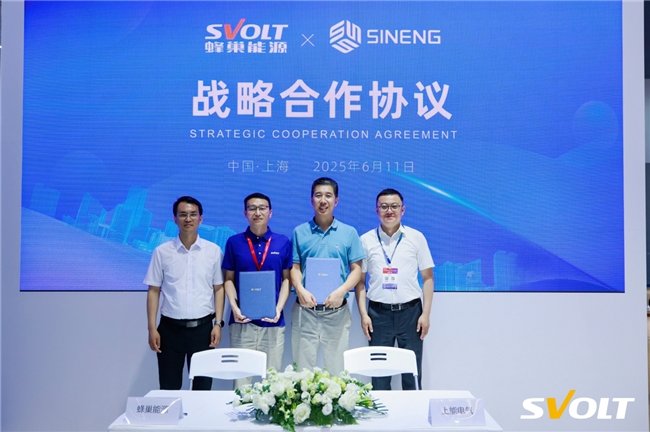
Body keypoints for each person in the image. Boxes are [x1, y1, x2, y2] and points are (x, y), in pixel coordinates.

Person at [355, 188, 434, 390]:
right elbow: (360, 282)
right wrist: (363, 315)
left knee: (412, 374)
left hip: (411, 314)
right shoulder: (365, 240)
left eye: (394, 206)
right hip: (378, 314)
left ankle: (414, 410)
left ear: (403, 210)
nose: (389, 211)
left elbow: (428, 278)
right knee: (379, 376)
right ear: (377, 210)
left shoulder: (416, 238)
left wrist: (425, 314)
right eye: (384, 206)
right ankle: (382, 411)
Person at [144, 195, 225, 390]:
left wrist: (218, 324)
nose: (188, 219)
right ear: (175, 218)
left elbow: (219, 288)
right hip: (170, 330)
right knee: (169, 387)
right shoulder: (162, 252)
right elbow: (154, 290)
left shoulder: (213, 251)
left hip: (203, 330)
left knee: (202, 388)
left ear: (201, 218)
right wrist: (152, 328)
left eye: (193, 214)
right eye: (183, 215)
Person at [290, 177, 365, 374]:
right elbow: (295, 267)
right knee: (302, 372)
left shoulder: (349, 232)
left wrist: (342, 290)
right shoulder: (299, 232)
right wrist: (300, 289)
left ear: (336, 201)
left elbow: (357, 269)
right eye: (318, 195)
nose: (323, 200)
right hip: (305, 311)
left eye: (328, 196)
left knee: (337, 372)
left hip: (336, 313)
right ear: (311, 200)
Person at [222, 192, 292, 387]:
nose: (257, 212)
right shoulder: (234, 242)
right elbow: (228, 279)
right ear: (245, 213)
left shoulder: (283, 242)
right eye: (252, 208)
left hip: (273, 322)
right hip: (242, 322)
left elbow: (287, 280)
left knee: (273, 384)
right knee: (241, 384)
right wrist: (235, 308)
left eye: (262, 208)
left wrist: (278, 309)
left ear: (270, 212)